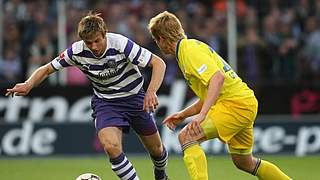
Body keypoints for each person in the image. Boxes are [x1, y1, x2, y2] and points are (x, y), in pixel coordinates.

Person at [6, 12, 169, 180]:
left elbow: (158, 63)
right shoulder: (76, 51)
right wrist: (28, 84)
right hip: (106, 103)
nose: (94, 47)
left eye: (97, 41)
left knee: (157, 151)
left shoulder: (121, 44)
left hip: (135, 99)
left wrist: (151, 92)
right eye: (89, 43)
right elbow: (47, 68)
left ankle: (161, 175)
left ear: (104, 33)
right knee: (111, 147)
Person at [148, 11, 291, 180]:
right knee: (244, 162)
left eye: (157, 40)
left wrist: (202, 116)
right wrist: (183, 114)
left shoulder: (189, 51)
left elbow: (217, 78)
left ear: (162, 39)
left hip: (234, 105)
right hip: (244, 102)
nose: (158, 45)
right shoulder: (189, 49)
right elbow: (211, 93)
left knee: (187, 137)